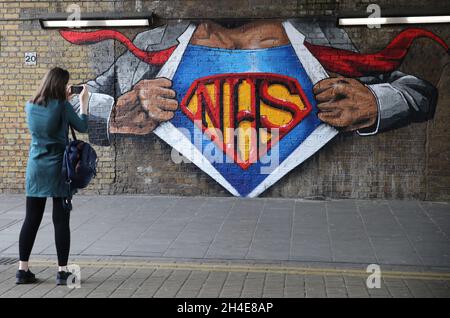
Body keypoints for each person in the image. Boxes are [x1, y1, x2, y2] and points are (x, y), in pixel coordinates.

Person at [17, 67, 89, 285]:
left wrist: (63, 100)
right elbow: (83, 127)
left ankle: (22, 270)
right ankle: (62, 272)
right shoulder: (63, 106)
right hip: (59, 170)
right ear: (61, 85)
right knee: (60, 220)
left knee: (31, 218)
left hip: (36, 168)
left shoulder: (30, 105)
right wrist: (83, 102)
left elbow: (47, 123)